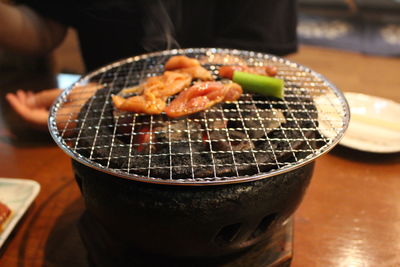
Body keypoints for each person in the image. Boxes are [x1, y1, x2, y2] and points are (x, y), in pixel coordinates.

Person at [2, 0, 298, 129]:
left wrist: (95, 112)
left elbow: (257, 53)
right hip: (97, 92)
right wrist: (101, 104)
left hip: (103, 98)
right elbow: (45, 29)